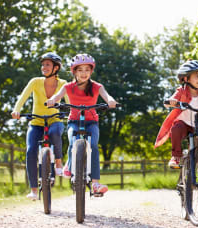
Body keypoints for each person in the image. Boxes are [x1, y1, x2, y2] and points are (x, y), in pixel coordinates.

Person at [154, 60, 198, 206]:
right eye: (196, 76)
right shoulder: (182, 91)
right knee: (176, 128)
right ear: (186, 79)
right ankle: (176, 156)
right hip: (184, 124)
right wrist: (172, 102)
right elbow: (172, 98)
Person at [46, 53, 118, 195]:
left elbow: (107, 95)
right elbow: (57, 96)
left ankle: (96, 184)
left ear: (91, 71)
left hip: (92, 122)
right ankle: (70, 164)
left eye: (87, 70)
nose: (84, 73)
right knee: (73, 140)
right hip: (74, 121)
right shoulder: (68, 87)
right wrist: (52, 100)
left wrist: (111, 101)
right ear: (74, 71)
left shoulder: (97, 86)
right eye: (80, 70)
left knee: (93, 146)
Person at [11, 52, 68, 200]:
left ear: (56, 67)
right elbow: (23, 97)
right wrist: (17, 110)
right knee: (30, 151)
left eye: (47, 64)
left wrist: (73, 113)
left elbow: (69, 102)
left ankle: (58, 162)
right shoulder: (35, 81)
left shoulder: (63, 84)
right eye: (43, 64)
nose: (44, 67)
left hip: (55, 120)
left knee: (56, 132)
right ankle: (34, 190)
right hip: (36, 122)